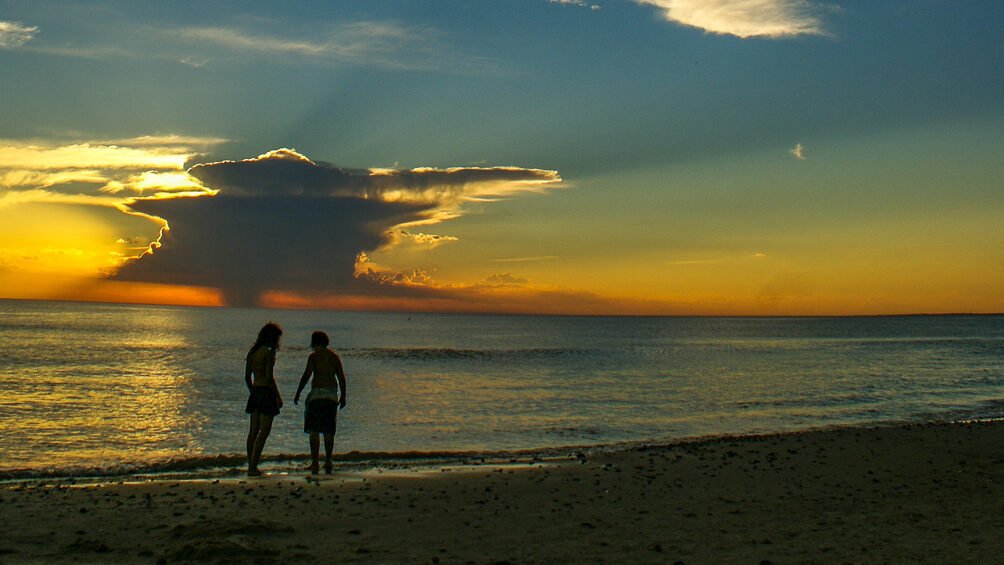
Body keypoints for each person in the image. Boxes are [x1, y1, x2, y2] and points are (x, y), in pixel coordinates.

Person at [294, 331, 347, 474]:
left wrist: (298, 392)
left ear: (314, 343)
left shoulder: (314, 357)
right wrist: (343, 396)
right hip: (331, 396)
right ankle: (328, 460)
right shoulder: (334, 357)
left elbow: (306, 375)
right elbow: (341, 378)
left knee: (314, 430)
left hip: (317, 396)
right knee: (329, 430)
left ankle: (315, 462)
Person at [244, 322, 283, 476]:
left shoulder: (252, 352)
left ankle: (250, 465)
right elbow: (269, 377)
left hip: (255, 392)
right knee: (264, 431)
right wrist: (278, 397)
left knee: (253, 431)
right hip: (266, 392)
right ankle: (253, 466)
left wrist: (253, 392)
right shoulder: (269, 352)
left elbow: (247, 378)